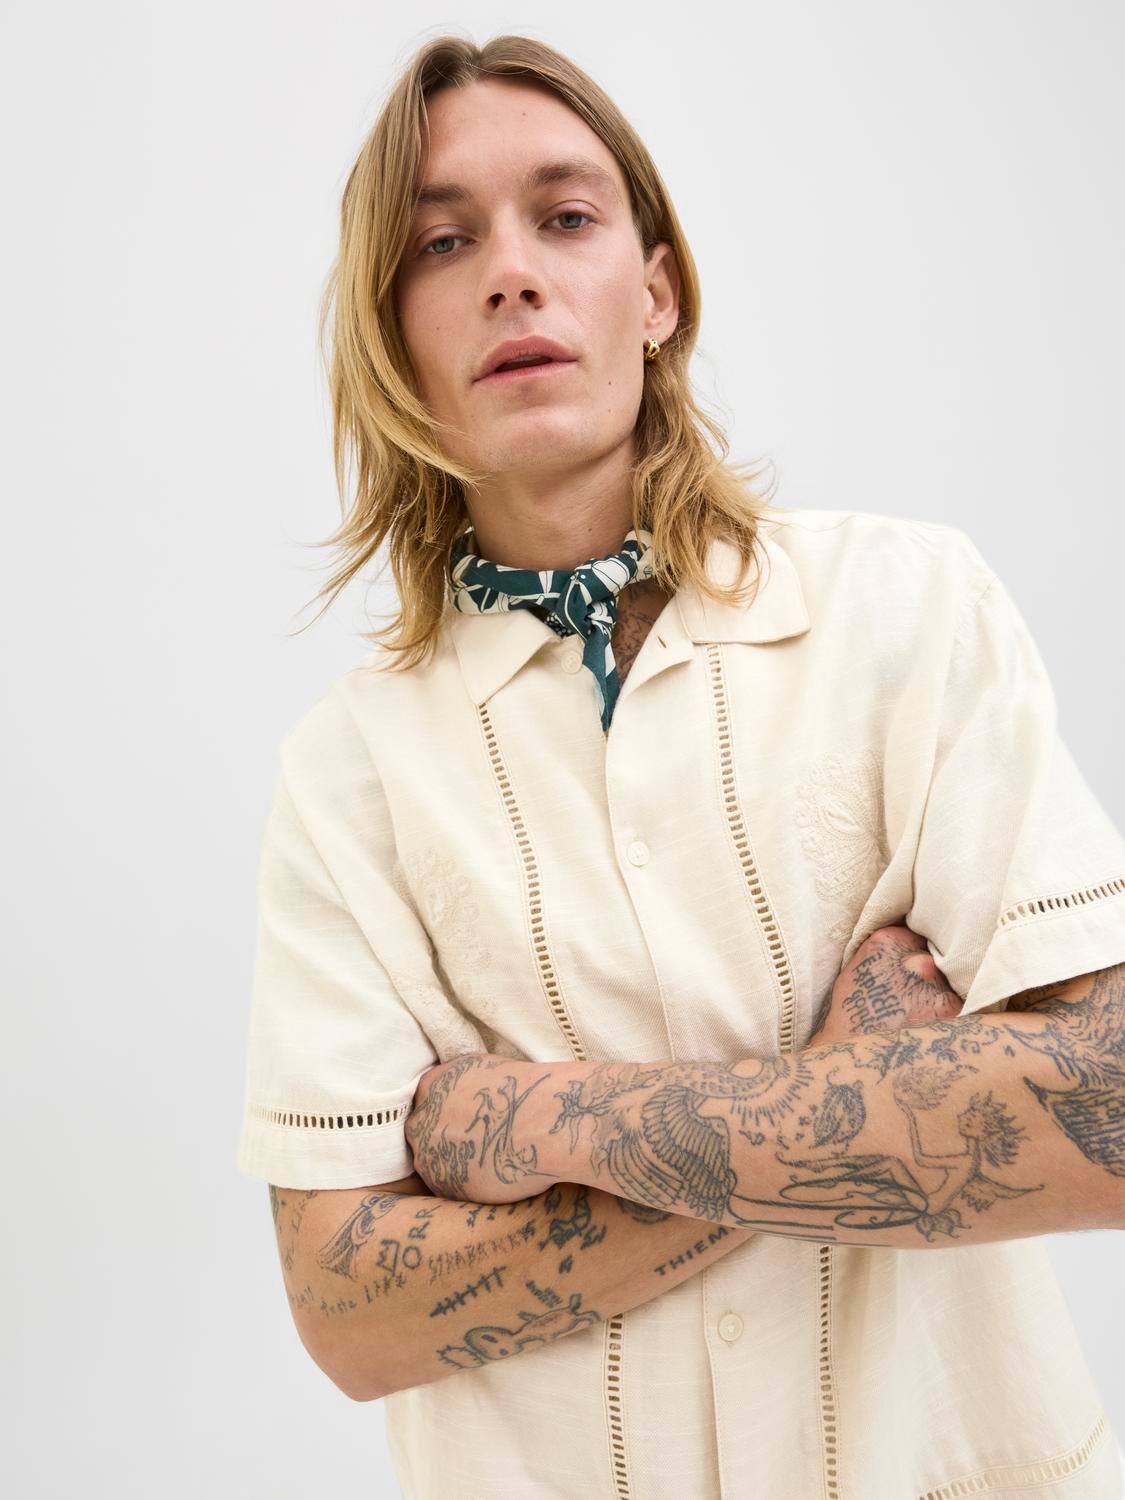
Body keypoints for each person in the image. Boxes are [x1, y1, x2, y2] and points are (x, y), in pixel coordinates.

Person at [235, 32, 1125, 1499]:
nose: (511, 274)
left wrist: (532, 1121)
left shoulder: (907, 609)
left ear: (656, 294)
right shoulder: (350, 774)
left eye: (565, 217)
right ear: (394, 343)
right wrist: (837, 1089)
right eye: (442, 243)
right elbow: (347, 1307)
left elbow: (1108, 1113)